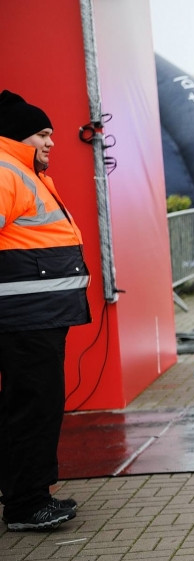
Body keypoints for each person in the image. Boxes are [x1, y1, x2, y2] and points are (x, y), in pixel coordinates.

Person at [0, 90, 89, 531]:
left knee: (32, 407)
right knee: (33, 409)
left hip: (36, 318)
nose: (51, 142)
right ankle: (26, 505)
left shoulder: (21, 172)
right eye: (42, 134)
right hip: (24, 321)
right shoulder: (6, 173)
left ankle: (28, 494)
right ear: (18, 136)